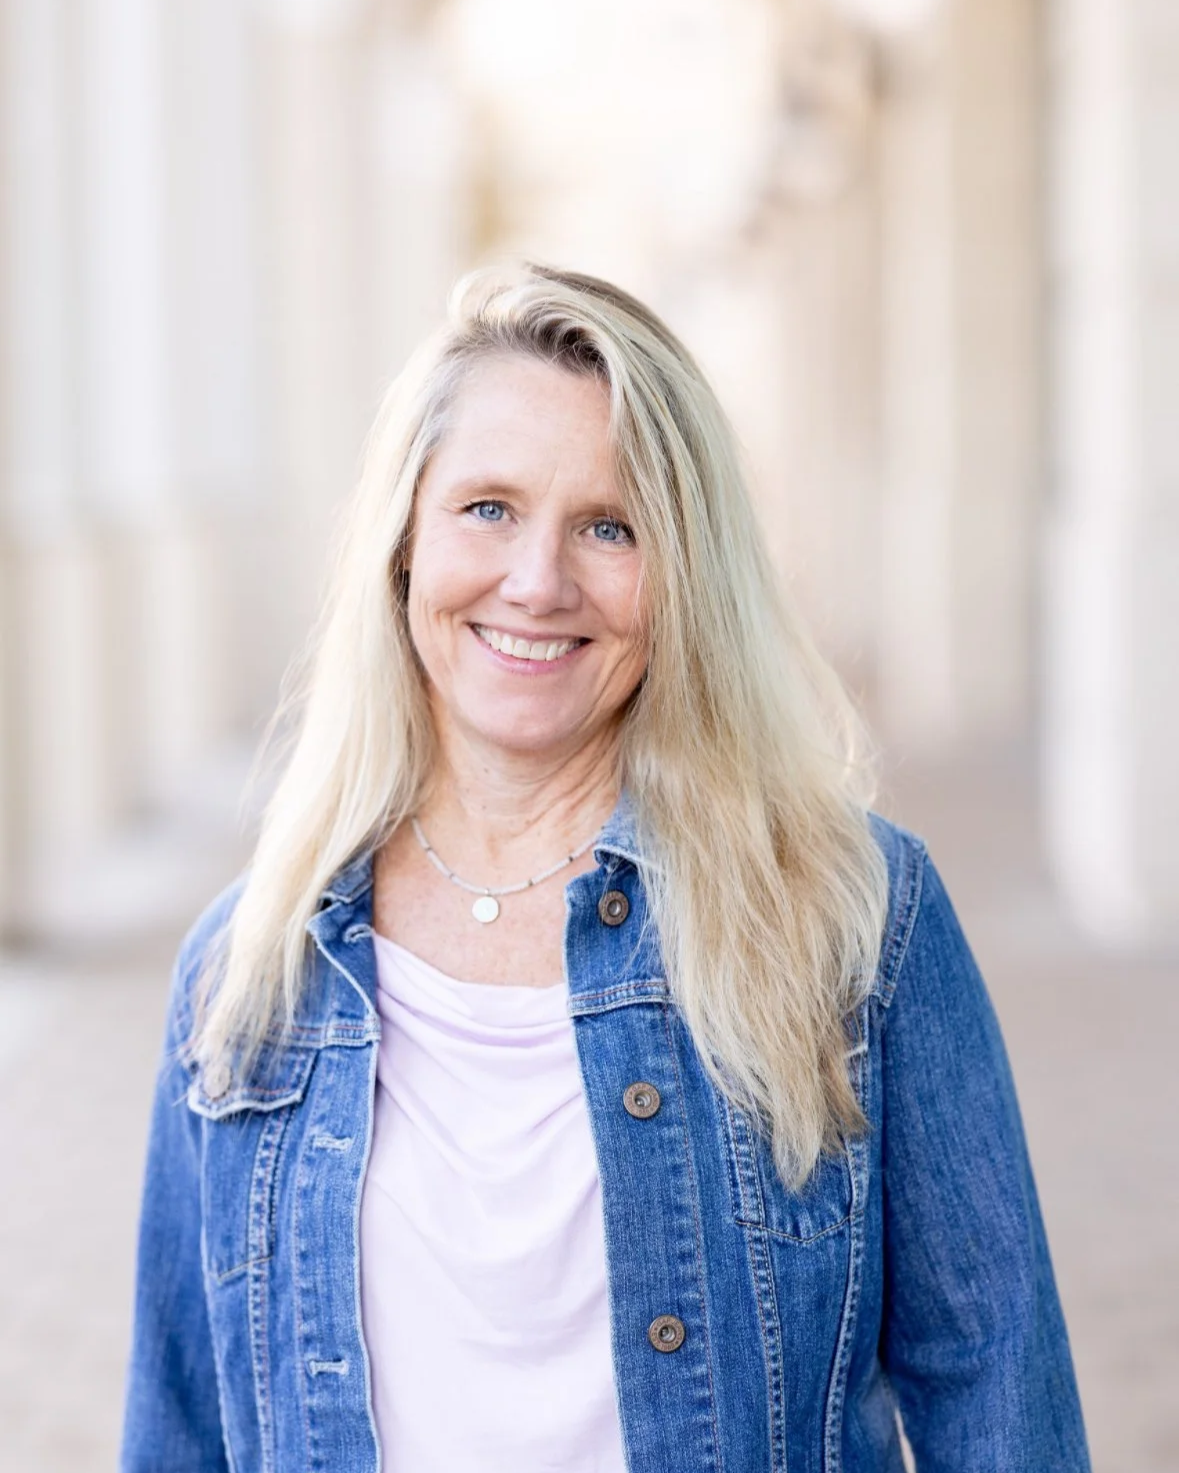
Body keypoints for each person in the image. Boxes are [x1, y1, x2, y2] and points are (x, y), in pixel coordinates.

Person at [120, 263, 1090, 1472]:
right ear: (402, 547)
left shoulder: (850, 917)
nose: (538, 581)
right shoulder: (249, 971)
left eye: (609, 526)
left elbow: (992, 1388)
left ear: (684, 576)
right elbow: (181, 1431)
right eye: (487, 508)